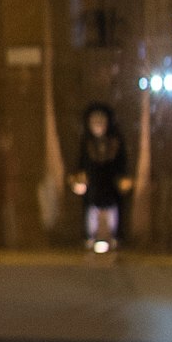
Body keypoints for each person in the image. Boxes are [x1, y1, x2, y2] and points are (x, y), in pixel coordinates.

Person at [70, 101, 131, 252]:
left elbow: (122, 164)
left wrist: (123, 180)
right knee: (91, 214)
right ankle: (90, 238)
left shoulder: (116, 143)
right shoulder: (86, 143)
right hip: (93, 190)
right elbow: (80, 164)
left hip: (112, 189)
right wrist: (78, 179)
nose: (98, 125)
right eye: (94, 121)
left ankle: (115, 238)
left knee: (113, 215)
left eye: (101, 121)